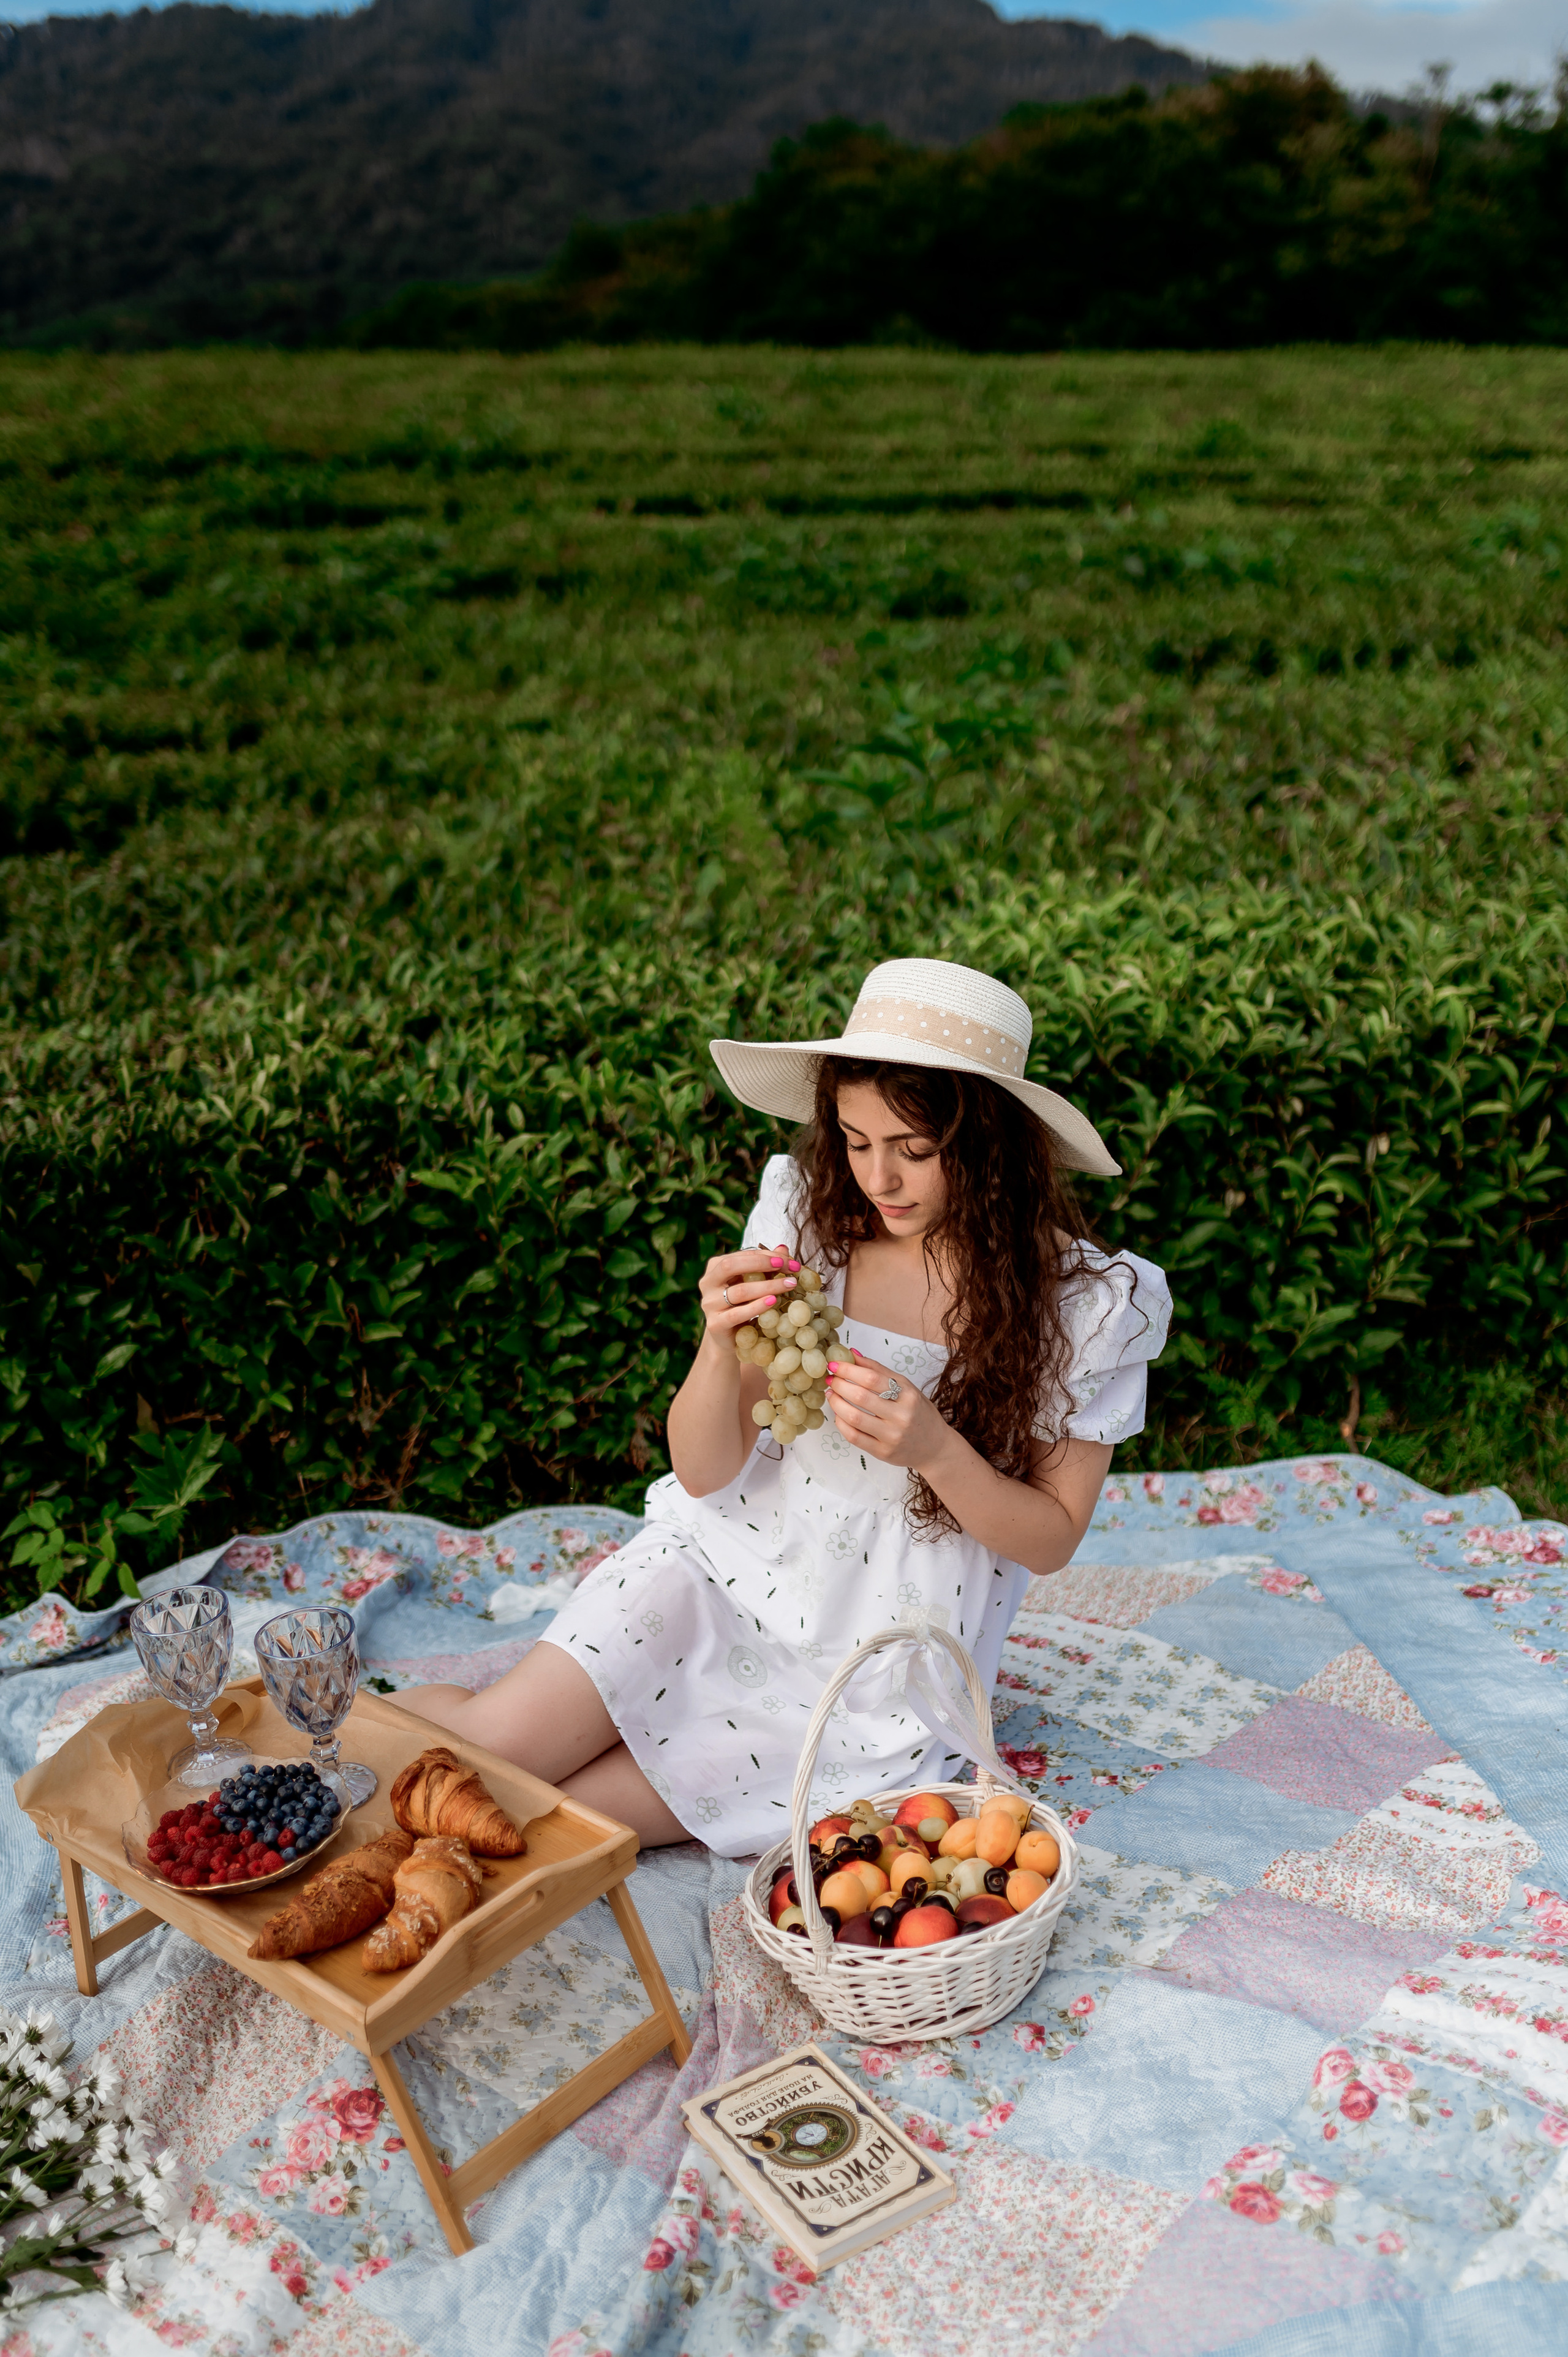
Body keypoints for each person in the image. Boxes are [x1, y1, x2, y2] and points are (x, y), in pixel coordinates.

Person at [401, 957, 1170, 1856]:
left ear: (991, 1142)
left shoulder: (1084, 1304)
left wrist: (938, 1449)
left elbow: (1052, 1537)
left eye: (914, 1150)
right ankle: (323, 1726)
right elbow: (705, 1472)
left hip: (866, 1664)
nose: (879, 1178)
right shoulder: (810, 1225)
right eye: (854, 1139)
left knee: (549, 1822)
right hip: (714, 1570)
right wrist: (718, 1347)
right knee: (479, 1755)